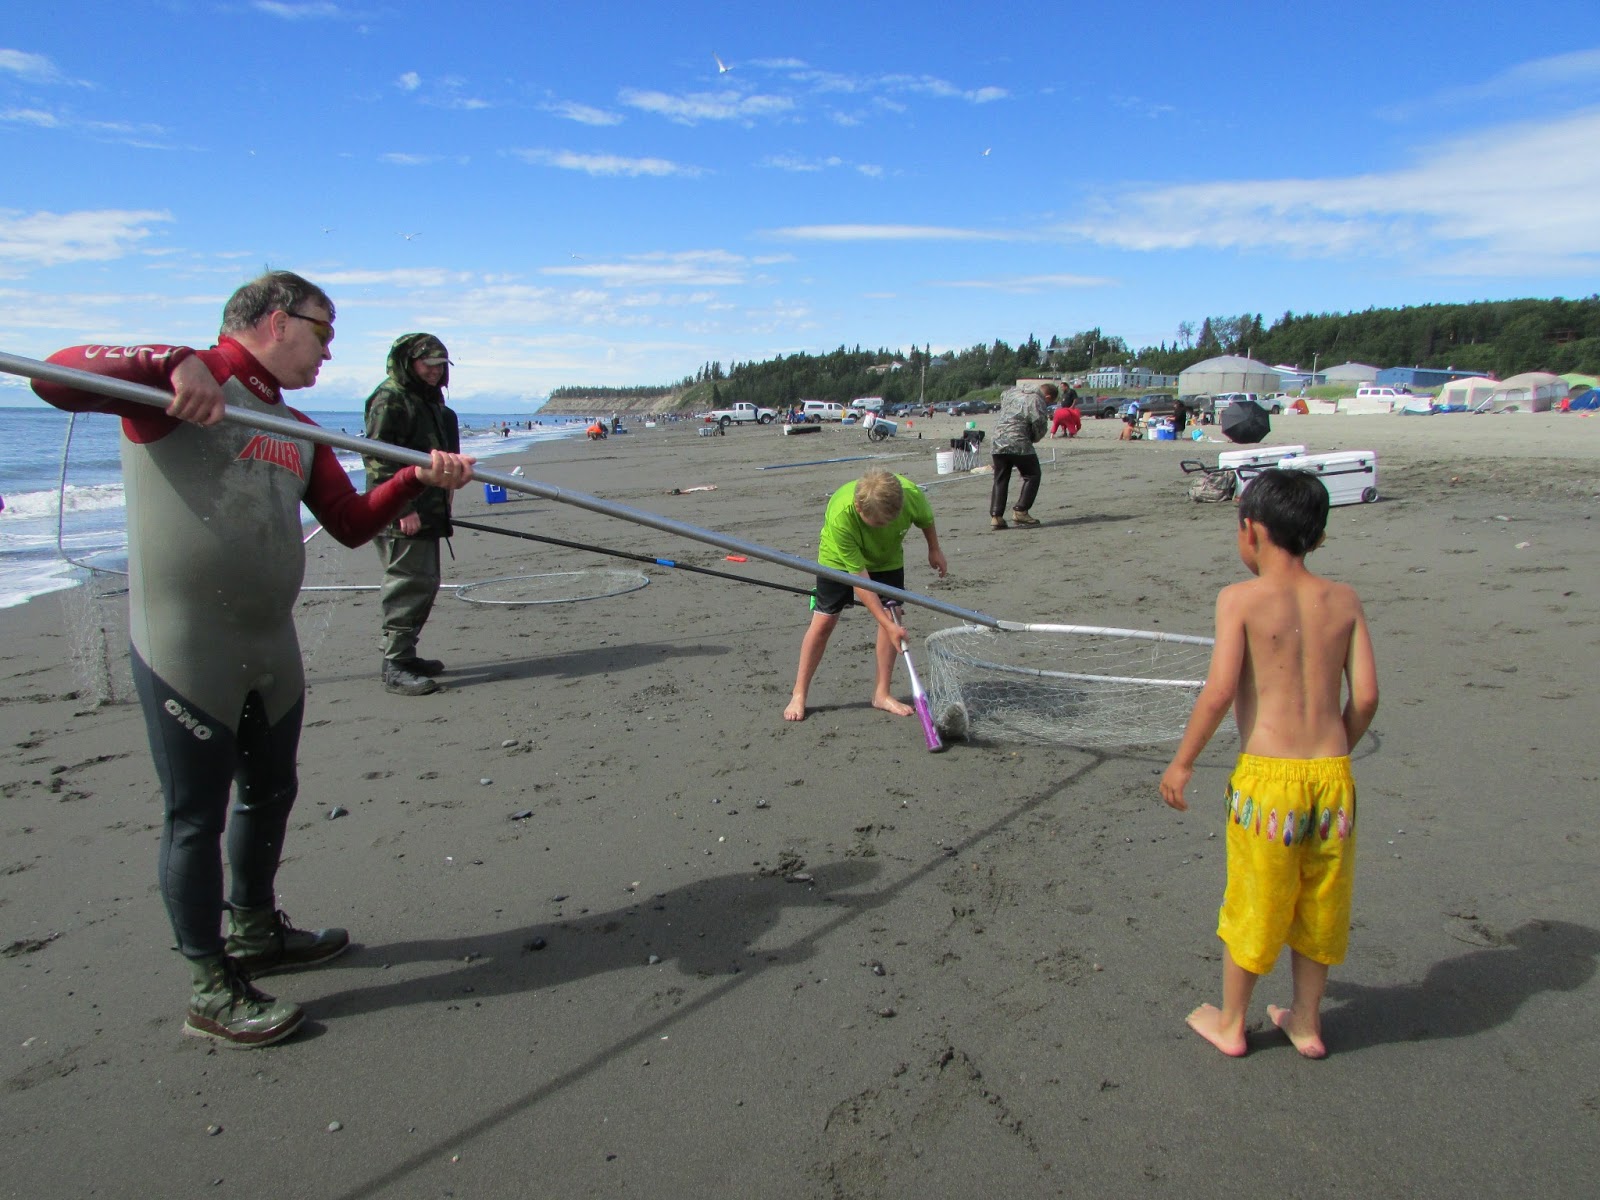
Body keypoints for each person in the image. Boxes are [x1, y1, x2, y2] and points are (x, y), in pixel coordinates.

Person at [31, 270, 477, 1048]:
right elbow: (53, 374)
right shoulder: (179, 388)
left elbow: (343, 522)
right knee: (195, 815)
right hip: (187, 645)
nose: (330, 350)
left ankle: (256, 931)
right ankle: (209, 988)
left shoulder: (296, 424)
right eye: (324, 330)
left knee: (270, 791)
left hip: (269, 641)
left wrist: (412, 475)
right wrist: (172, 361)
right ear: (276, 319)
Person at [1159, 469, 1379, 1059]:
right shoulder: (1345, 600)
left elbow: (1220, 691)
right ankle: (1306, 1022)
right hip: (1332, 779)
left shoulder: (1240, 599)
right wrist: (1338, 751)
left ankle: (1233, 1022)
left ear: (1250, 530)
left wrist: (1182, 764)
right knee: (1320, 899)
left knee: (1256, 898)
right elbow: (1364, 698)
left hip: (1268, 782)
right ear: (1318, 537)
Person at [784, 470, 947, 722]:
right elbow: (860, 578)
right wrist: (887, 624)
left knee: (893, 616)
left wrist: (934, 549)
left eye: (890, 522)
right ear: (859, 507)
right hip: (837, 561)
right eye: (879, 523)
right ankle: (799, 693)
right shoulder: (842, 514)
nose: (885, 527)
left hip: (887, 559)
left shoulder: (910, 494)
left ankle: (882, 693)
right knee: (825, 621)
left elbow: (926, 519)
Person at [362, 333, 462, 697]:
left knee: (424, 581)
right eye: (428, 364)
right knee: (407, 582)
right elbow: (376, 457)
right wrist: (401, 508)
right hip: (402, 509)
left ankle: (405, 654)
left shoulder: (430, 401)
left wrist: (445, 498)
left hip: (429, 505)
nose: (435, 372)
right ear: (409, 362)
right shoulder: (391, 399)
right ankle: (396, 663)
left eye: (440, 366)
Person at [988, 380, 1055, 530]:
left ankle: (996, 516)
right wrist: (1034, 438)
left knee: (1000, 478)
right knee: (1032, 474)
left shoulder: (1012, 393)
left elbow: (1003, 400)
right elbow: (1039, 422)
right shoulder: (1037, 399)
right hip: (1018, 439)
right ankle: (1021, 510)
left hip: (998, 438)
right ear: (1048, 397)